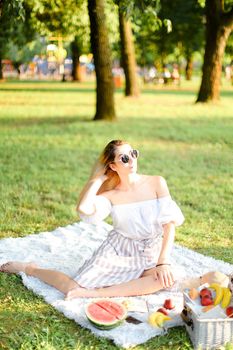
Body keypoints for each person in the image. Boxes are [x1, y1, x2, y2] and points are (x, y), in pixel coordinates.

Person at [0, 140, 229, 299]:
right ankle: (32, 269)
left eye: (134, 154)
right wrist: (97, 179)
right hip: (120, 249)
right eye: (124, 158)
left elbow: (169, 225)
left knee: (164, 280)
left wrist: (163, 260)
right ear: (113, 165)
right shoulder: (111, 195)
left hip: (152, 249)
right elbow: (83, 208)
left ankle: (96, 295)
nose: (132, 161)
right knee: (74, 285)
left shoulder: (157, 182)